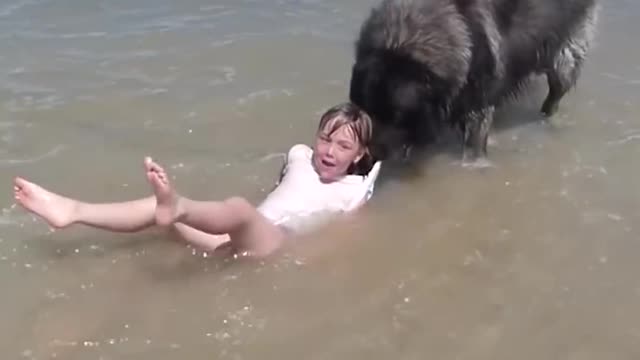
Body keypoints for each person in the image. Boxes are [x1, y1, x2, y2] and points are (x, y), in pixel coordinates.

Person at [12, 102, 382, 258]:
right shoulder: (300, 157)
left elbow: (345, 237)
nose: (329, 150)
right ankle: (72, 211)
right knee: (154, 210)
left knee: (238, 208)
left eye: (343, 145)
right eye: (325, 138)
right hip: (229, 240)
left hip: (273, 246)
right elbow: (281, 190)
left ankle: (177, 208)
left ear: (360, 154)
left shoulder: (353, 192)